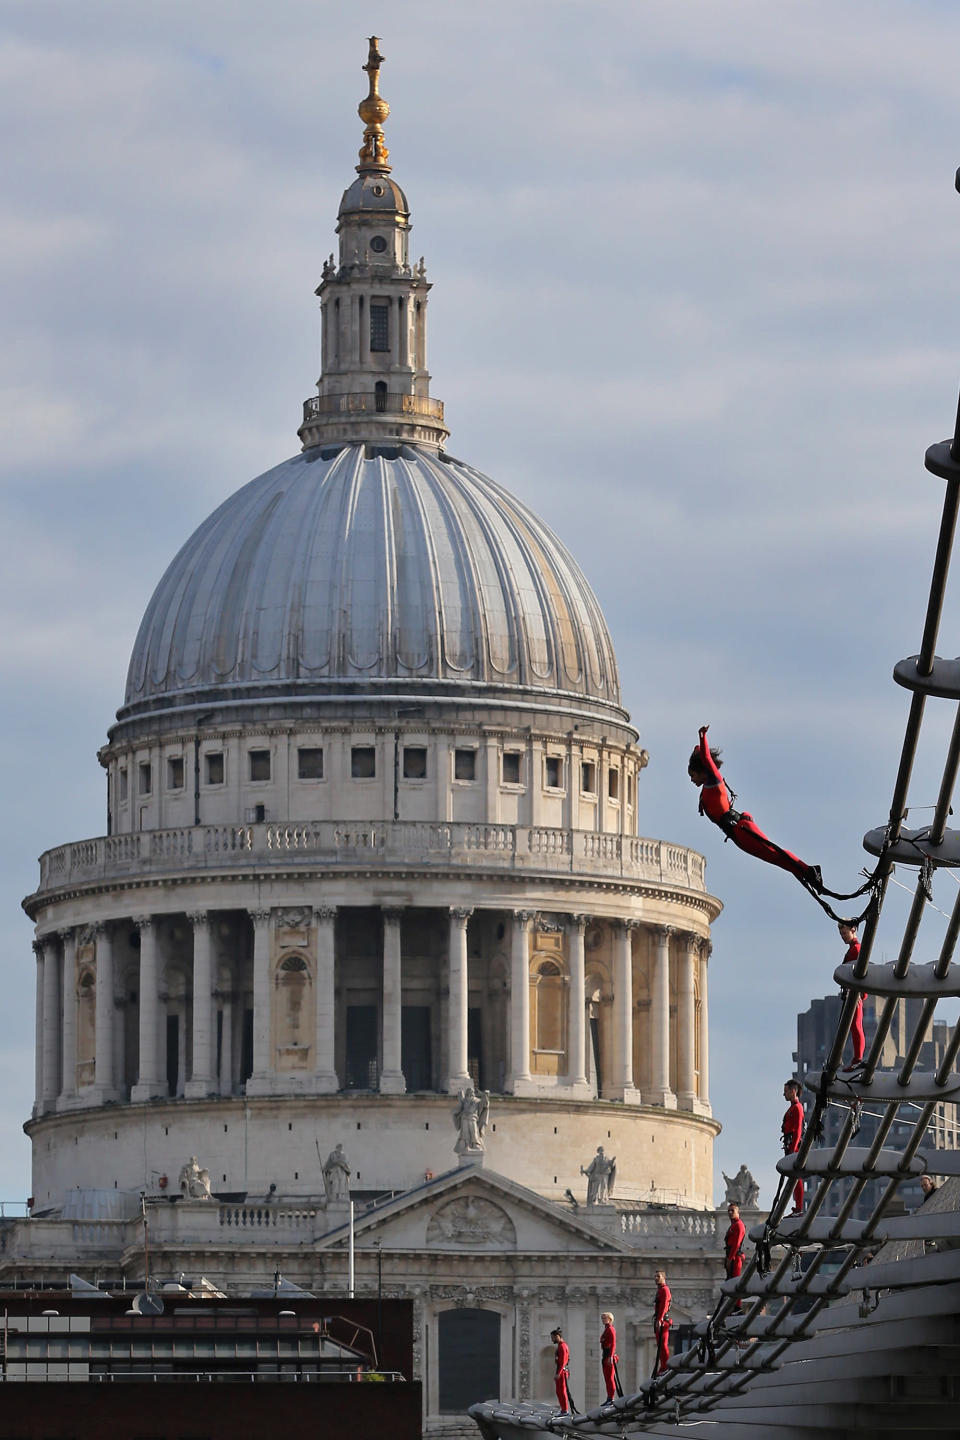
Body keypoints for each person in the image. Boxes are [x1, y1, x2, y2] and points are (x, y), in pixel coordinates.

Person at [689, 726, 820, 889]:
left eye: (692, 775)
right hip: (737, 833)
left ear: (702, 772)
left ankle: (809, 871)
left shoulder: (714, 782)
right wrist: (697, 748)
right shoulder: (707, 787)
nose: (691, 780)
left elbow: (706, 757)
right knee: (773, 857)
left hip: (740, 828)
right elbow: (699, 753)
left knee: (774, 854)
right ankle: (806, 873)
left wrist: (702, 736)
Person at [838, 921, 866, 1070]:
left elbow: (862, 973)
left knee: (855, 1025)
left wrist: (861, 993)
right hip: (852, 993)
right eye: (841, 934)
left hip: (854, 993)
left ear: (853, 930)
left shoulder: (856, 949)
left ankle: (858, 1058)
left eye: (844, 933)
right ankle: (857, 1058)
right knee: (853, 1025)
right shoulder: (853, 949)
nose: (843, 937)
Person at [781, 1080, 805, 1215]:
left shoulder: (797, 1107)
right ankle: (798, 1207)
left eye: (785, 1091)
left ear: (793, 1091)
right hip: (790, 1145)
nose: (784, 1094)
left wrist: (793, 1149)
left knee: (796, 1177)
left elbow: (797, 1130)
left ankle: (799, 1207)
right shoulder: (793, 1107)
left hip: (794, 1147)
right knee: (794, 1178)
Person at [724, 1202, 746, 1309]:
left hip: (735, 1258)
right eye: (729, 1210)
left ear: (738, 1212)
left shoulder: (738, 1225)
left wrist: (730, 1258)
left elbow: (736, 1243)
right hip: (731, 1256)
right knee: (731, 1281)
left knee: (735, 1282)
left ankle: (737, 1307)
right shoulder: (733, 1225)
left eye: (732, 1210)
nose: (730, 1213)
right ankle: (733, 1305)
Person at [653, 1271, 672, 1376]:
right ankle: (663, 1365)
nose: (656, 1278)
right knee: (660, 1345)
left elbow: (664, 1305)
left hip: (663, 1321)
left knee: (663, 1345)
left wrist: (660, 1319)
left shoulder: (665, 1290)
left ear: (664, 1277)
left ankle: (665, 1366)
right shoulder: (660, 1290)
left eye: (658, 1276)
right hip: (659, 1320)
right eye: (655, 1276)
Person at [550, 1328, 571, 1413]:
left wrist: (559, 1373)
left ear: (557, 1336)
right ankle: (563, 1409)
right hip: (560, 1371)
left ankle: (565, 1410)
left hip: (562, 1372)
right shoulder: (560, 1345)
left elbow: (563, 1361)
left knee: (561, 1391)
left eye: (553, 1338)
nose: (552, 1340)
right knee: (559, 1391)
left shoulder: (562, 1346)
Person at [600, 1311, 618, 1400]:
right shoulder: (606, 1329)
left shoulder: (610, 1329)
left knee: (610, 1378)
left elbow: (613, 1343)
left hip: (608, 1356)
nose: (602, 1320)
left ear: (610, 1319)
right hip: (605, 1355)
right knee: (607, 1379)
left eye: (604, 1318)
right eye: (602, 1318)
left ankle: (611, 1397)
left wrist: (610, 1356)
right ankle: (609, 1397)